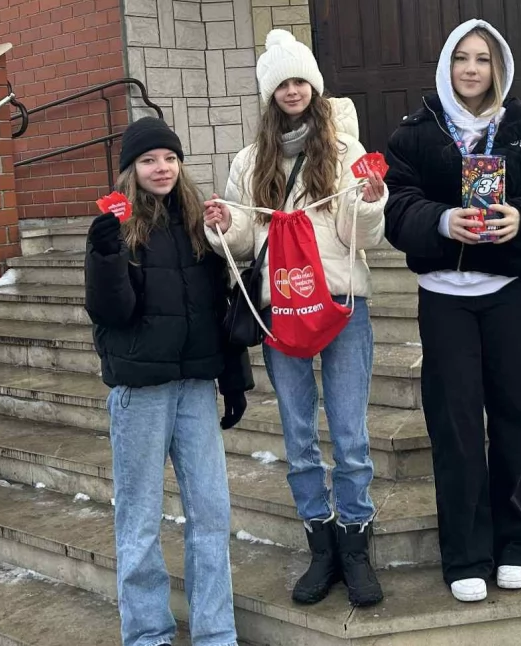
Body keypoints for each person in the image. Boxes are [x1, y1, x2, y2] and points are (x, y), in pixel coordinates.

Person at [201, 29, 388, 608]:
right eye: (281, 83)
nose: (292, 90)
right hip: (279, 309)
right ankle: (320, 542)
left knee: (350, 435)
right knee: (299, 435)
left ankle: (355, 542)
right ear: (269, 93)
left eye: (300, 80)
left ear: (314, 86)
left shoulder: (346, 152)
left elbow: (361, 238)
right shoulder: (249, 161)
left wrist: (369, 202)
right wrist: (222, 224)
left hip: (341, 305)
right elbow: (243, 236)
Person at [384, 19, 521, 603]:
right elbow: (396, 207)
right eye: (461, 57)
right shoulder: (415, 133)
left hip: (506, 293)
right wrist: (440, 221)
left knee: (514, 417)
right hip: (444, 298)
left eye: (482, 59)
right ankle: (465, 554)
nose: (471, 69)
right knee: (456, 427)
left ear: (498, 68)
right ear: (446, 65)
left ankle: (518, 543)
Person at [85, 116, 251, 646]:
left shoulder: (199, 222)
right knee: (139, 518)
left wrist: (234, 378)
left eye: (170, 158)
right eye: (149, 160)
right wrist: (105, 256)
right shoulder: (118, 225)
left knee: (211, 513)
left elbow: (220, 306)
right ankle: (147, 634)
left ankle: (215, 633)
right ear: (130, 169)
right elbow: (112, 313)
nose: (162, 168)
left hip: (196, 388)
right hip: (141, 393)